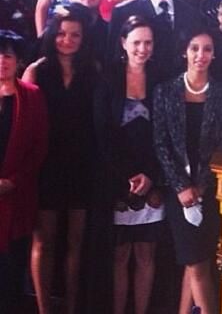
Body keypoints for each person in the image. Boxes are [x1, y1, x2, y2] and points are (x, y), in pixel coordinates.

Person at [153, 26, 222, 314]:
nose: (201, 55)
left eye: (207, 49)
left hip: (208, 190)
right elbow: (161, 144)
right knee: (195, 261)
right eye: (194, 48)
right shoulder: (165, 91)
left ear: (214, 55)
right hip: (177, 192)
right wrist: (181, 186)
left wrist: (201, 186)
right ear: (184, 52)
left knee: (198, 261)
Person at [24, 10, 98, 314]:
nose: (68, 40)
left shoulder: (92, 71)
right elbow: (23, 124)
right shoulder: (36, 71)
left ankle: (70, 308)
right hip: (45, 167)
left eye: (75, 35)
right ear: (52, 35)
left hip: (81, 165)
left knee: (76, 244)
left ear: (83, 38)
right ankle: (44, 309)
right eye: (62, 34)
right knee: (44, 241)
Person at [91, 16, 164, 314]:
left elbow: (167, 133)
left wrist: (151, 176)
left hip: (153, 179)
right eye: (136, 42)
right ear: (123, 43)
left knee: (147, 254)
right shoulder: (107, 78)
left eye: (148, 43)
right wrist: (128, 176)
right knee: (119, 256)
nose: (142, 49)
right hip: (117, 180)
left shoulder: (162, 78)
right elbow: (102, 133)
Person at [0, 31, 48, 314]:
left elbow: (39, 147)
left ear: (17, 61)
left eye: (7, 55)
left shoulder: (31, 96)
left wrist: (13, 182)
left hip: (17, 197)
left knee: (14, 270)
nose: (1, 61)